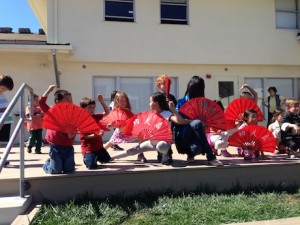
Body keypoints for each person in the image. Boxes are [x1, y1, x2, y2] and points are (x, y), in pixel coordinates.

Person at [111, 92, 190, 165]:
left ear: (156, 104)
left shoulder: (166, 113)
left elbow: (179, 121)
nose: (149, 104)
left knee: (161, 145)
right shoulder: (151, 114)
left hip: (163, 143)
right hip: (151, 143)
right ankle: (111, 157)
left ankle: (165, 156)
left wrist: (173, 110)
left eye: (150, 101)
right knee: (132, 151)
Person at [174, 76, 223, 166]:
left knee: (196, 148)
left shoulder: (204, 103)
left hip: (197, 137)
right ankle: (211, 157)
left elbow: (206, 122)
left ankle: (191, 153)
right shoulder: (181, 102)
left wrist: (206, 125)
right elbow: (179, 121)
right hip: (182, 136)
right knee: (197, 123)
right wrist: (194, 121)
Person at [39, 85, 76, 174]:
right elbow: (41, 103)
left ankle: (57, 163)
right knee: (56, 170)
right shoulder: (53, 111)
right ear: (58, 102)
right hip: (56, 147)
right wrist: (48, 91)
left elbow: (73, 133)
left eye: (71, 99)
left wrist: (72, 135)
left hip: (68, 146)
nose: (70, 101)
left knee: (69, 170)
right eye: (67, 99)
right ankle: (47, 164)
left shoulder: (73, 114)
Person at [79, 95, 111, 169]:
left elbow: (107, 112)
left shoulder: (95, 116)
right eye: (89, 107)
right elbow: (86, 136)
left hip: (99, 147)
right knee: (91, 166)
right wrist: (96, 135)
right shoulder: (81, 121)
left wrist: (101, 101)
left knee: (107, 160)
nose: (92, 109)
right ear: (82, 109)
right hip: (89, 149)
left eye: (93, 107)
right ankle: (86, 158)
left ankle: (95, 157)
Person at [155, 74, 177, 163]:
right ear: (159, 85)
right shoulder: (157, 96)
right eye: (163, 84)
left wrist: (171, 105)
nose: (165, 86)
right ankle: (160, 153)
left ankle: (169, 154)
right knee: (159, 138)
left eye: (167, 84)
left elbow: (175, 109)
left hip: (169, 121)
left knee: (168, 138)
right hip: (159, 121)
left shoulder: (171, 97)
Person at [0, 74, 14, 166]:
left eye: (7, 88)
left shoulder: (1, 94)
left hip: (6, 121)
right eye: (4, 86)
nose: (6, 89)